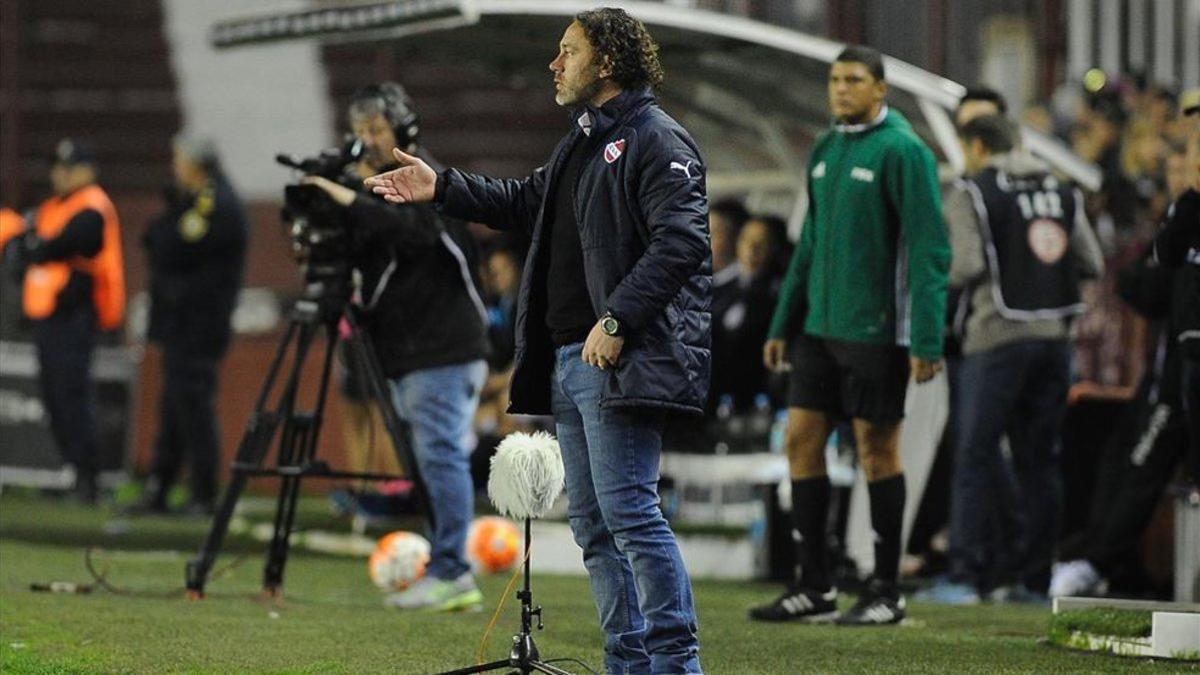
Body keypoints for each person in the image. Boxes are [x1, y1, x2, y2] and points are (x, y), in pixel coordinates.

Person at [366, 9, 708, 672]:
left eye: (567, 51)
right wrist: (443, 187)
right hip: (571, 359)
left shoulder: (657, 139)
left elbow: (683, 243)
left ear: (606, 62)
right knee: (595, 528)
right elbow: (527, 201)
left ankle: (675, 664)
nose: (555, 64)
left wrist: (617, 321)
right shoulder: (582, 140)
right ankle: (627, 663)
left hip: (617, 355)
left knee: (632, 517)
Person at [752, 45, 949, 625]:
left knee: (876, 452)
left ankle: (886, 590)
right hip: (819, 328)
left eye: (855, 80)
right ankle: (814, 585)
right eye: (835, 80)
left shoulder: (905, 152)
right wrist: (783, 321)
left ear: (881, 89)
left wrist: (927, 340)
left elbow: (930, 250)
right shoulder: (824, 147)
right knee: (800, 442)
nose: (841, 89)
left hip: (877, 334)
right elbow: (809, 243)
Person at [302, 82, 491, 612]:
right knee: (432, 459)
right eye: (360, 131)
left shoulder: (420, 176)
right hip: (416, 349)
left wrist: (344, 195)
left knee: (440, 457)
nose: (368, 141)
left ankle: (454, 571)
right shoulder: (377, 184)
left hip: (443, 347)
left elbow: (412, 235)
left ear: (404, 128)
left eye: (377, 129)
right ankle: (447, 567)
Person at [928, 114, 1104, 603]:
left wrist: (931, 276)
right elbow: (1091, 262)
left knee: (975, 455)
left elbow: (966, 265)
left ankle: (965, 576)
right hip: (1055, 342)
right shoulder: (1062, 193)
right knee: (1040, 462)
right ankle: (1034, 579)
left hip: (996, 337)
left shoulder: (973, 193)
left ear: (979, 147)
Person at [129, 137, 248, 516]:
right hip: (182, 321)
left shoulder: (215, 204)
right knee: (174, 407)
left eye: (179, 160)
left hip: (198, 322)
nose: (174, 167)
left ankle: (203, 493)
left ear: (196, 165)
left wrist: (165, 233)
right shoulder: (193, 200)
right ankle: (161, 486)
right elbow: (157, 237)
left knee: (193, 406)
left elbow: (170, 245)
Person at [17, 139, 125, 503]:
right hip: (49, 316)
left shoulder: (91, 206)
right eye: (57, 168)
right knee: (55, 396)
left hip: (75, 315)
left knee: (72, 395)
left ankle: (87, 476)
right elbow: (27, 243)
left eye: (68, 168)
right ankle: (71, 469)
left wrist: (39, 248)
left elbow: (62, 244)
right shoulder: (54, 206)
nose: (59, 175)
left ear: (86, 170)